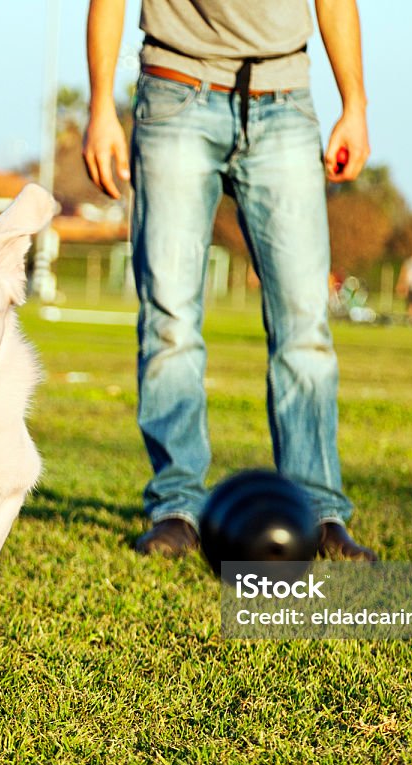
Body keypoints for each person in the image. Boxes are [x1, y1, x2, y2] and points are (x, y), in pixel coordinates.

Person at [83, 0, 376, 560]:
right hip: (175, 89)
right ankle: (176, 506)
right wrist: (100, 107)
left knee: (304, 324)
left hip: (285, 98)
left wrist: (355, 104)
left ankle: (320, 511)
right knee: (169, 317)